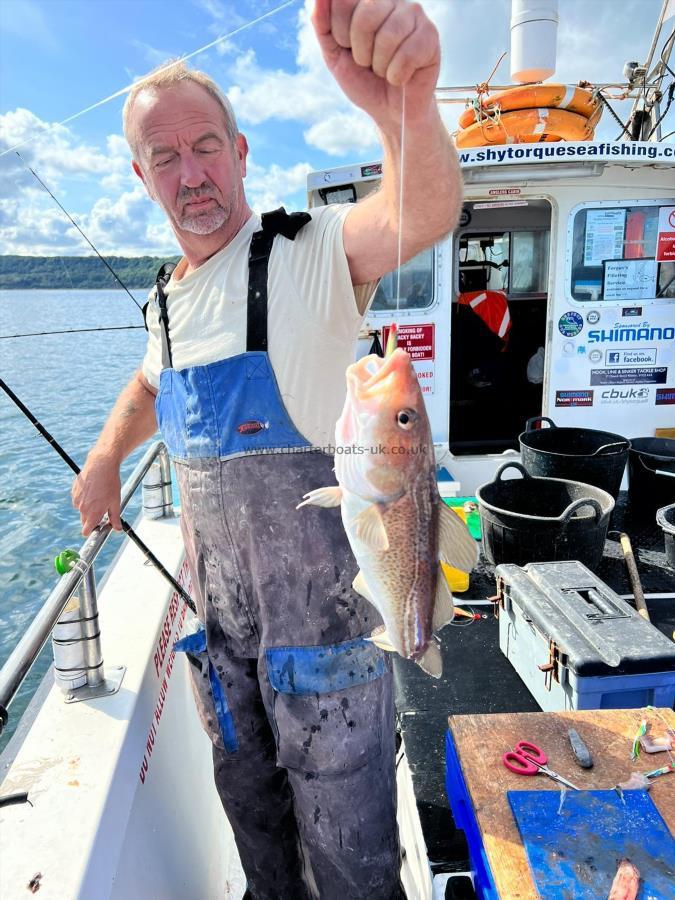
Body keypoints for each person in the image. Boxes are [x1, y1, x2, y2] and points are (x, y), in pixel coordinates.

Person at [72, 2, 462, 897]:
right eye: (163, 156)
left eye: (205, 144)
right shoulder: (165, 301)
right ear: (142, 176)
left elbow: (421, 208)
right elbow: (146, 385)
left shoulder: (301, 256)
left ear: (240, 151)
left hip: (328, 650)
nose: (189, 171)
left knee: (353, 864)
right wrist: (102, 459)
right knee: (255, 832)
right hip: (228, 652)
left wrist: (405, 105)